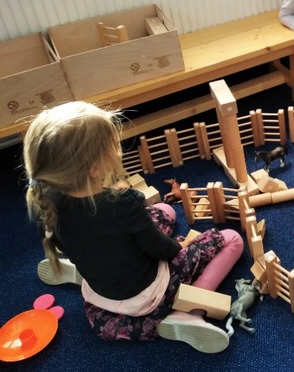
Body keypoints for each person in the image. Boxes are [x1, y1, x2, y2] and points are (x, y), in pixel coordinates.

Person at [23, 101, 244, 353]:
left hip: (102, 294)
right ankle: (191, 311)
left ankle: (86, 280)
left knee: (165, 210)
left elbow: (95, 233)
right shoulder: (123, 204)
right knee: (231, 239)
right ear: (94, 168)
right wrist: (181, 245)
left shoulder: (46, 204)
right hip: (149, 292)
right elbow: (163, 251)